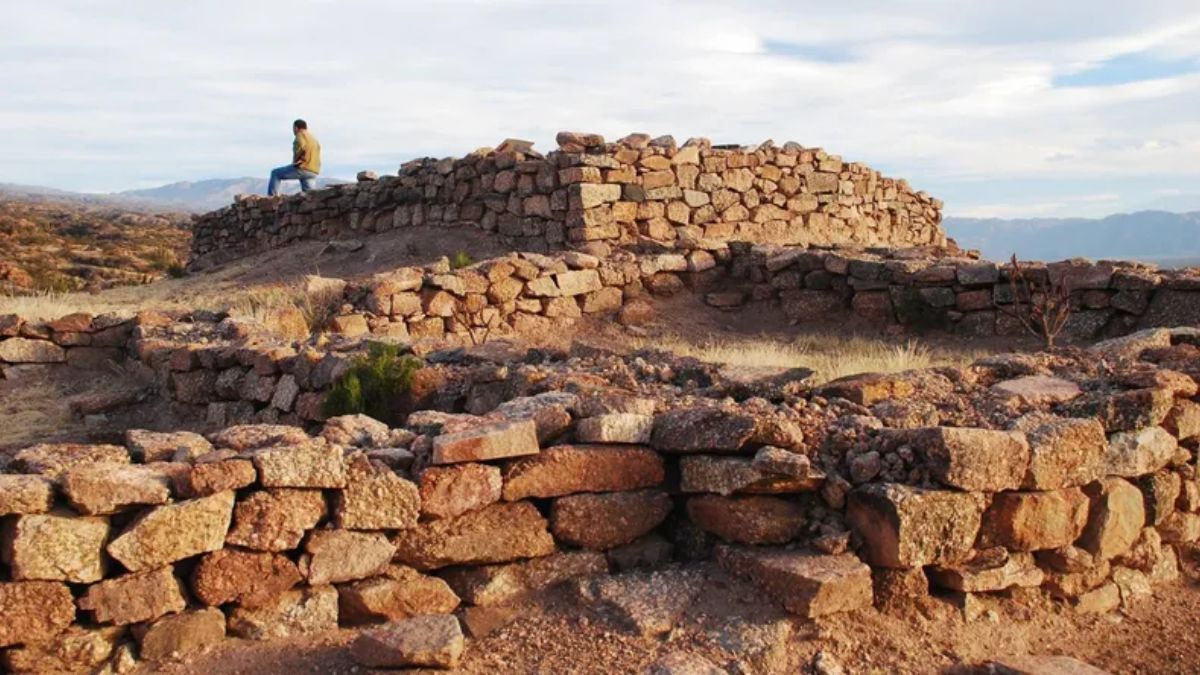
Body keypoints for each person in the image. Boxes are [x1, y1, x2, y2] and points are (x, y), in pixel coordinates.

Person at [267, 119, 321, 196]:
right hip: (313, 171)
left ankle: (272, 198)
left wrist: (296, 160)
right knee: (310, 196)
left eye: (293, 128)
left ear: (296, 128)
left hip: (303, 167)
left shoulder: (300, 135)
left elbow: (301, 146)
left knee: (275, 173)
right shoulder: (313, 139)